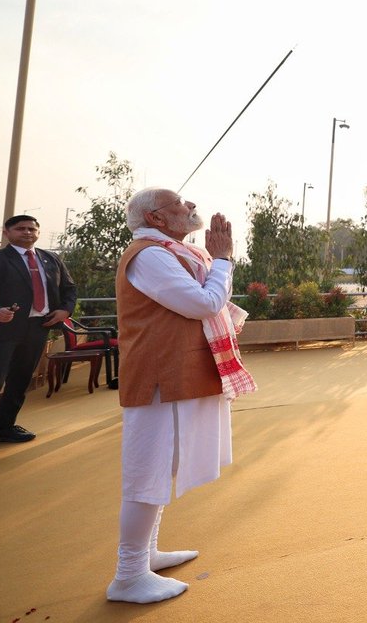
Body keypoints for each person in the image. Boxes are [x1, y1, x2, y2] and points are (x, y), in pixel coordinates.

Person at [106, 189, 256, 604]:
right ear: (155, 218)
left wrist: (218, 260)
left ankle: (146, 554)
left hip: (177, 374)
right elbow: (205, 303)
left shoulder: (173, 251)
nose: (190, 206)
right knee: (147, 470)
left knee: (163, 466)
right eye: (179, 203)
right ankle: (129, 573)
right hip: (161, 377)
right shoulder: (149, 255)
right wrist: (223, 258)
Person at [0, 214, 77, 460]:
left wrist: (65, 310)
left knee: (20, 380)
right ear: (7, 233)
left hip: (38, 328)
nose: (27, 233)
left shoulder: (51, 259)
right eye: (20, 229)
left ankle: (4, 428)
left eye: (32, 229)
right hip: (0, 331)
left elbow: (69, 288)